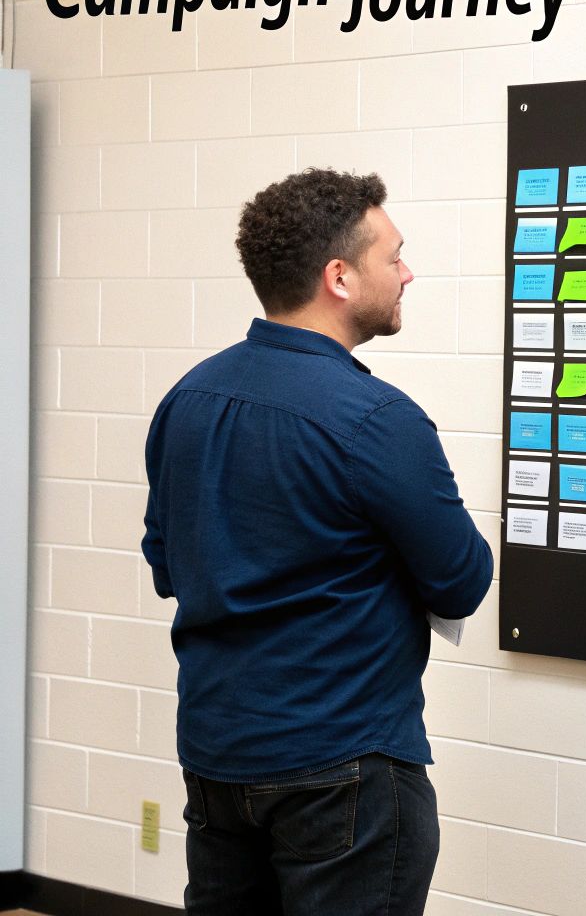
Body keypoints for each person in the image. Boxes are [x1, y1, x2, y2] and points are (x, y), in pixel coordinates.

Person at [141, 168, 493, 915]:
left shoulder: (187, 399)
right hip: (344, 774)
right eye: (393, 256)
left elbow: (168, 565)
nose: (407, 272)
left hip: (216, 761)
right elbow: (462, 581)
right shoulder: (377, 419)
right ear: (339, 277)